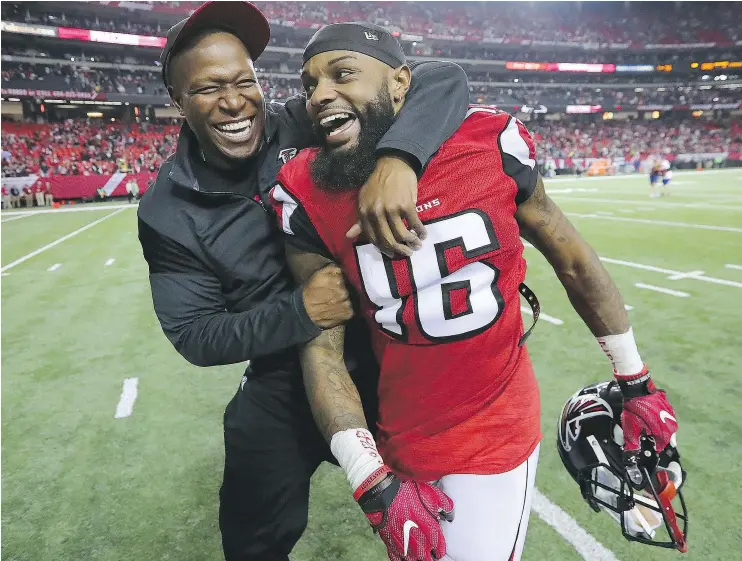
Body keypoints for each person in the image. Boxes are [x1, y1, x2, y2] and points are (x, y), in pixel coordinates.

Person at [271, 23, 681, 561]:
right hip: (400, 427)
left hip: (494, 423)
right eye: (310, 84)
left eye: (342, 73)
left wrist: (635, 377)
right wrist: (369, 478)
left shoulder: (486, 140)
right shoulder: (302, 188)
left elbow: (571, 256)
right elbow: (321, 343)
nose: (320, 93)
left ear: (400, 83)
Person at [136, 3, 470, 561]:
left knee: (450, 520)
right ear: (177, 101)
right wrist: (301, 310)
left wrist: (399, 159)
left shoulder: (302, 118)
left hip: (390, 352)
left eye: (245, 81)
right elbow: (194, 334)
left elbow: (443, 77)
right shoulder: (165, 210)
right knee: (252, 536)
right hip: (284, 376)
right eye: (210, 88)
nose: (235, 100)